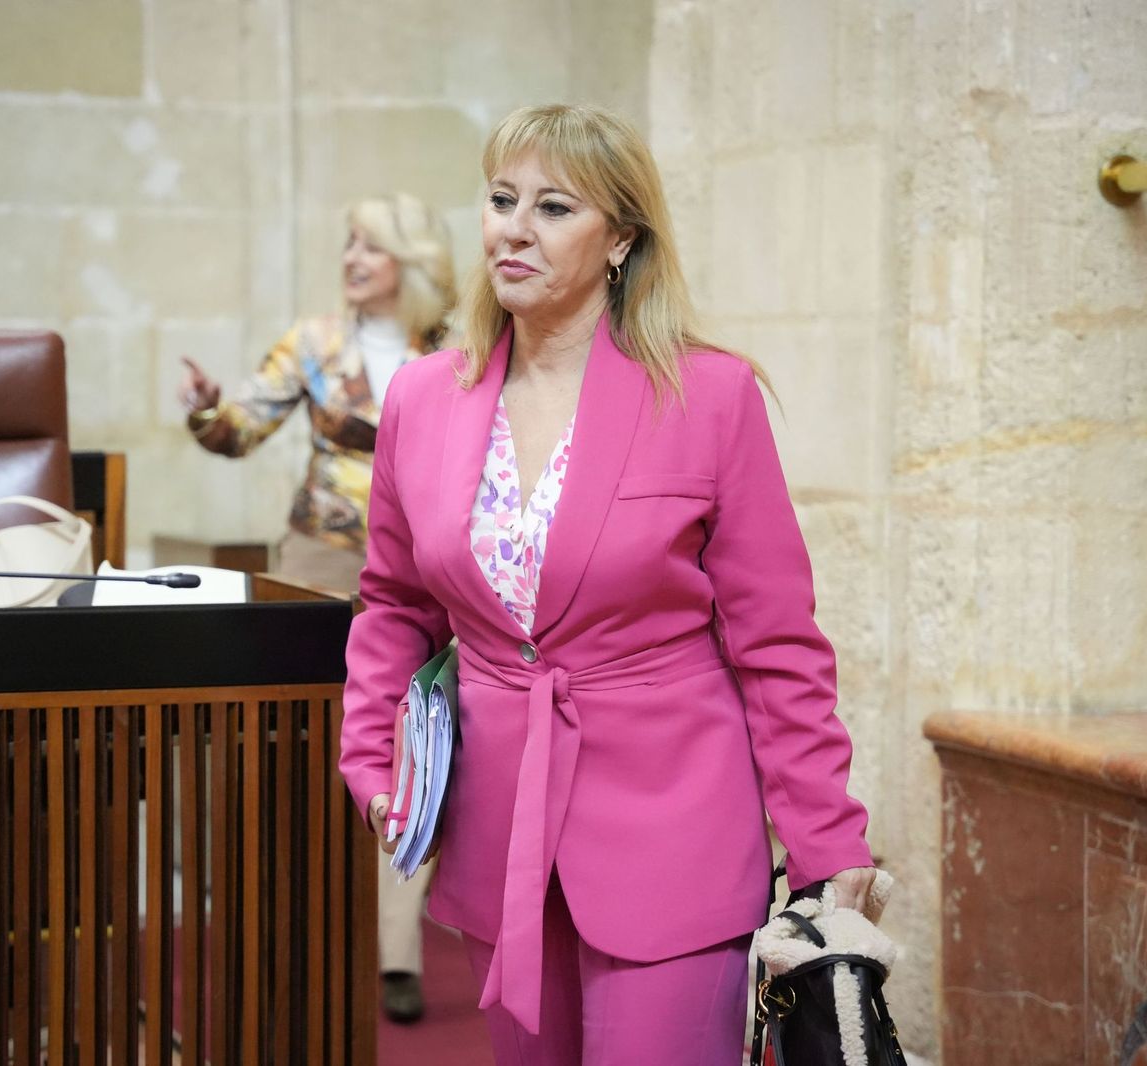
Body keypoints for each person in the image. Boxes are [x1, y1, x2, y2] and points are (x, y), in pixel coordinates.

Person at [339, 104, 878, 1064]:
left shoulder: (708, 395)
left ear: (621, 239)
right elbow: (394, 603)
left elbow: (776, 639)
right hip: (499, 833)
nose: (514, 227)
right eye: (502, 200)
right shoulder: (423, 399)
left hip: (676, 825)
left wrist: (828, 839)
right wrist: (377, 759)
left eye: (554, 207)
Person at [180, 192, 455, 1022]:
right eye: (347, 245)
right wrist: (205, 406)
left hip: (418, 581)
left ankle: (396, 955)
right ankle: (292, 934)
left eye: (368, 246)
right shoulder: (315, 342)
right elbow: (238, 431)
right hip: (314, 566)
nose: (351, 260)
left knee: (411, 752)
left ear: (409, 261)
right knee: (308, 745)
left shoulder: (457, 349)